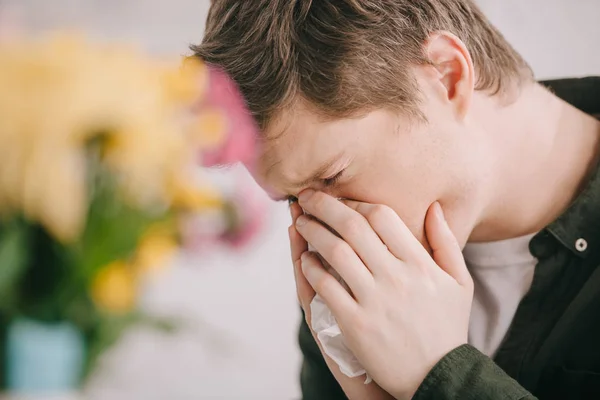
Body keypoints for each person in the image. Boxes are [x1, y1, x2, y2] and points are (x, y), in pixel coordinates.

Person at [192, 1, 600, 399]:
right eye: (293, 200)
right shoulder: (348, 277)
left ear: (447, 77)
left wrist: (440, 374)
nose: (329, 229)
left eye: (334, 177)